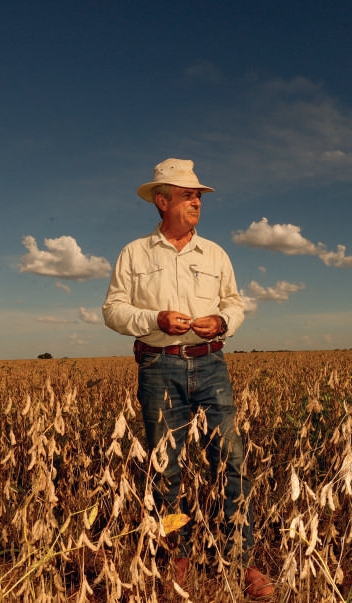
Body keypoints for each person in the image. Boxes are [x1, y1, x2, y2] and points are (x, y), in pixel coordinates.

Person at [102, 158, 274, 598]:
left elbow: (236, 303)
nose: (196, 200)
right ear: (162, 201)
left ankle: (240, 559)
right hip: (158, 367)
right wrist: (153, 317)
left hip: (211, 364)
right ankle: (172, 555)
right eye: (186, 194)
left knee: (231, 461)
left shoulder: (215, 254)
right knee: (166, 467)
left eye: (198, 195)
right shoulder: (134, 254)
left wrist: (222, 321)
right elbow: (113, 310)